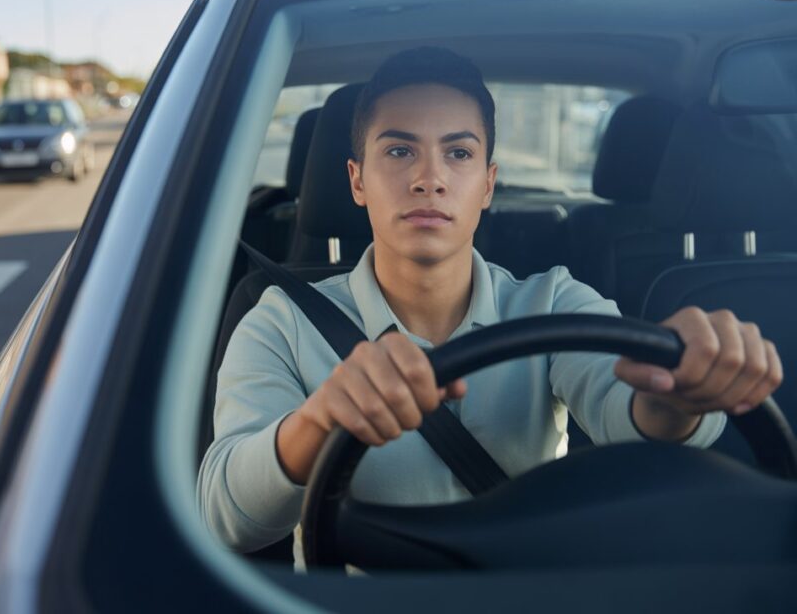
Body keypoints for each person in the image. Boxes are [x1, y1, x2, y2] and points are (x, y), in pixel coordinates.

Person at [197, 47, 784, 563]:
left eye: (458, 154)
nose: (429, 178)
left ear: (487, 182)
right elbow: (227, 517)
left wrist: (676, 395)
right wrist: (319, 420)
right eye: (399, 152)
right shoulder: (279, 319)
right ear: (356, 180)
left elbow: (627, 409)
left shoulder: (552, 301)